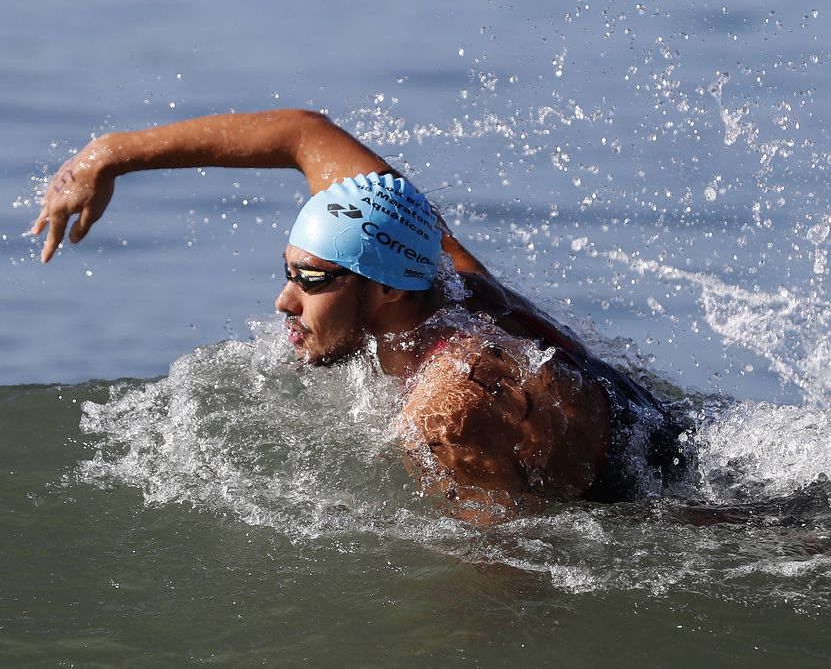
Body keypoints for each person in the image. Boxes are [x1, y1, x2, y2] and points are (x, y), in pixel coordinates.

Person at [32, 109, 688, 523]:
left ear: (388, 294)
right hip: (654, 420)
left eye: (311, 280)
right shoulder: (437, 265)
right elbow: (302, 134)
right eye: (289, 272)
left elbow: (512, 571)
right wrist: (109, 152)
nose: (284, 302)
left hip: (686, 506)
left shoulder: (448, 411)